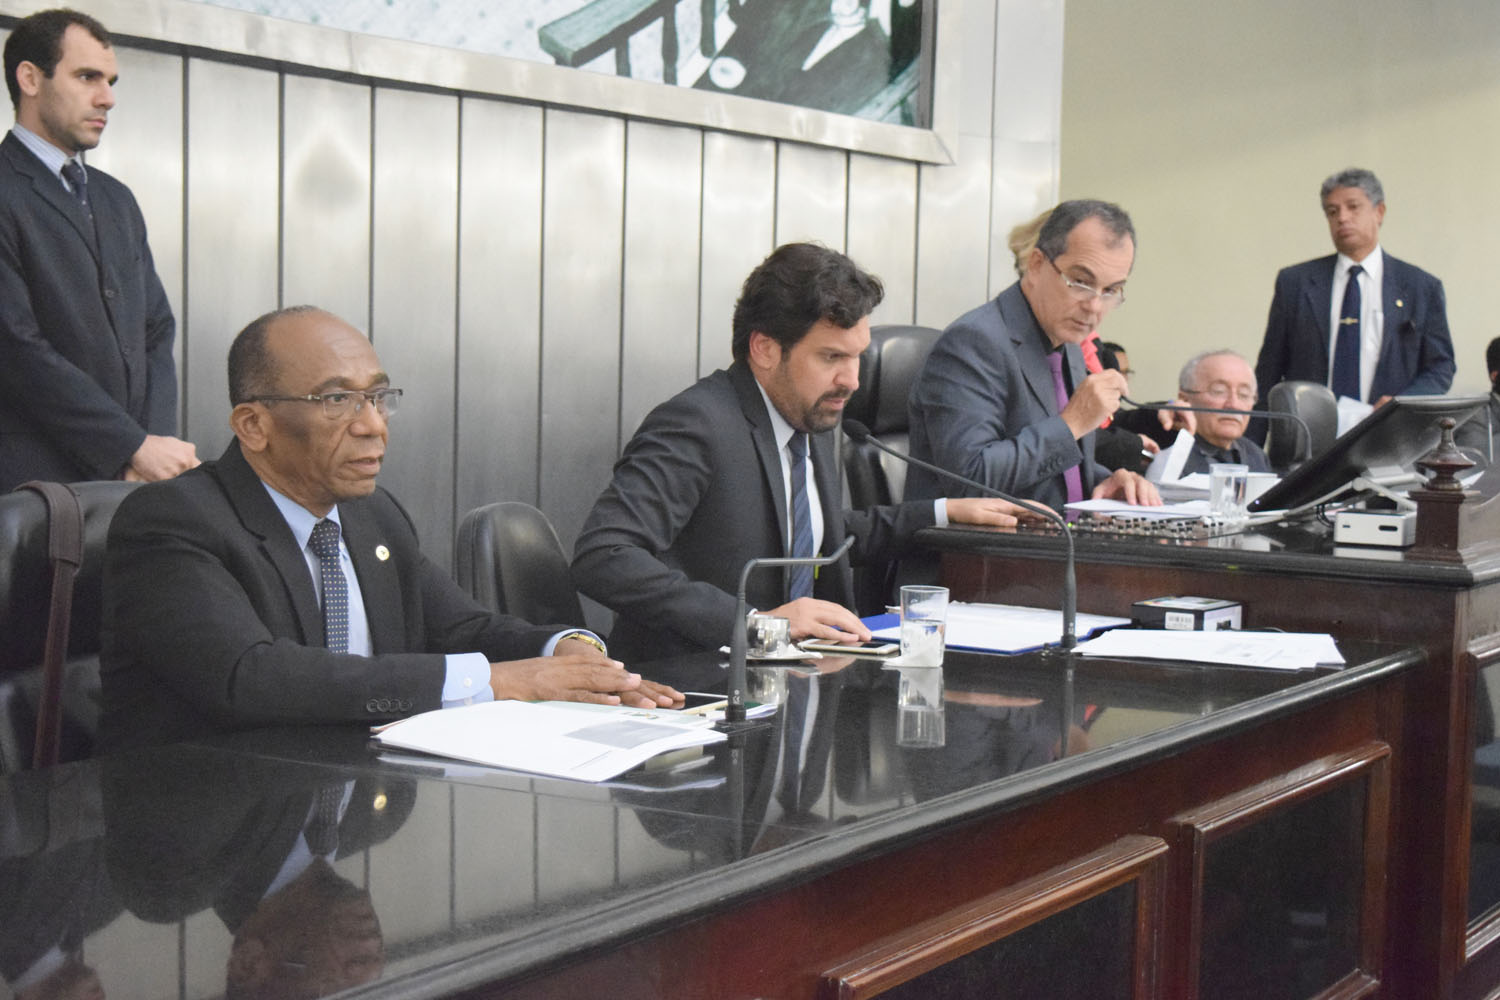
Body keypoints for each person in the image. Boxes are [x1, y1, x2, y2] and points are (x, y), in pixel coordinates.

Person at [99, 306, 680, 751]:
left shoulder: (374, 516)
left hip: (351, 810)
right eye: (337, 400)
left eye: (378, 397)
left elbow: (463, 628)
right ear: (254, 425)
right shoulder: (173, 521)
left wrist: (568, 655)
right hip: (213, 826)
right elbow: (252, 677)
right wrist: (499, 681)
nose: (374, 426)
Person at [571, 242, 1033, 663]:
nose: (852, 380)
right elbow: (605, 555)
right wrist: (756, 623)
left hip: (803, 676)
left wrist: (942, 513)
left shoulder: (808, 415)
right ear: (765, 349)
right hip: (698, 685)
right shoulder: (696, 425)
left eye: (857, 356)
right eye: (832, 357)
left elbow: (811, 537)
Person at [0, 9, 197, 491]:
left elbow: (156, 328)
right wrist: (129, 447)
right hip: (33, 487)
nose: (107, 98)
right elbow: (15, 346)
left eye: (110, 81)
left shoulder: (115, 198)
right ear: (30, 78)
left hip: (133, 482)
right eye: (87, 77)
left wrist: (152, 444)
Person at [905, 199, 1161, 509]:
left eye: (1110, 291)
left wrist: (1105, 481)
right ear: (1037, 265)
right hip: (979, 540)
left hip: (1056, 534)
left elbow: (1055, 473)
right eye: (1081, 282)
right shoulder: (974, 342)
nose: (1094, 306)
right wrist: (1072, 423)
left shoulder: (1067, 340)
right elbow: (969, 480)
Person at [1252, 167, 1454, 441]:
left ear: (1379, 212)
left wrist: (1400, 405)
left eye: (1353, 207)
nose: (1342, 218)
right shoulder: (1295, 283)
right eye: (1332, 211)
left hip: (1388, 436)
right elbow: (1269, 370)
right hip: (1308, 439)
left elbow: (1441, 366)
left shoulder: (1420, 287)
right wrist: (1250, 449)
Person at [1171, 350, 1272, 475]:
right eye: (1219, 391)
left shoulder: (1256, 456)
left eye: (1244, 394)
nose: (1234, 405)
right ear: (1185, 399)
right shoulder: (1168, 447)